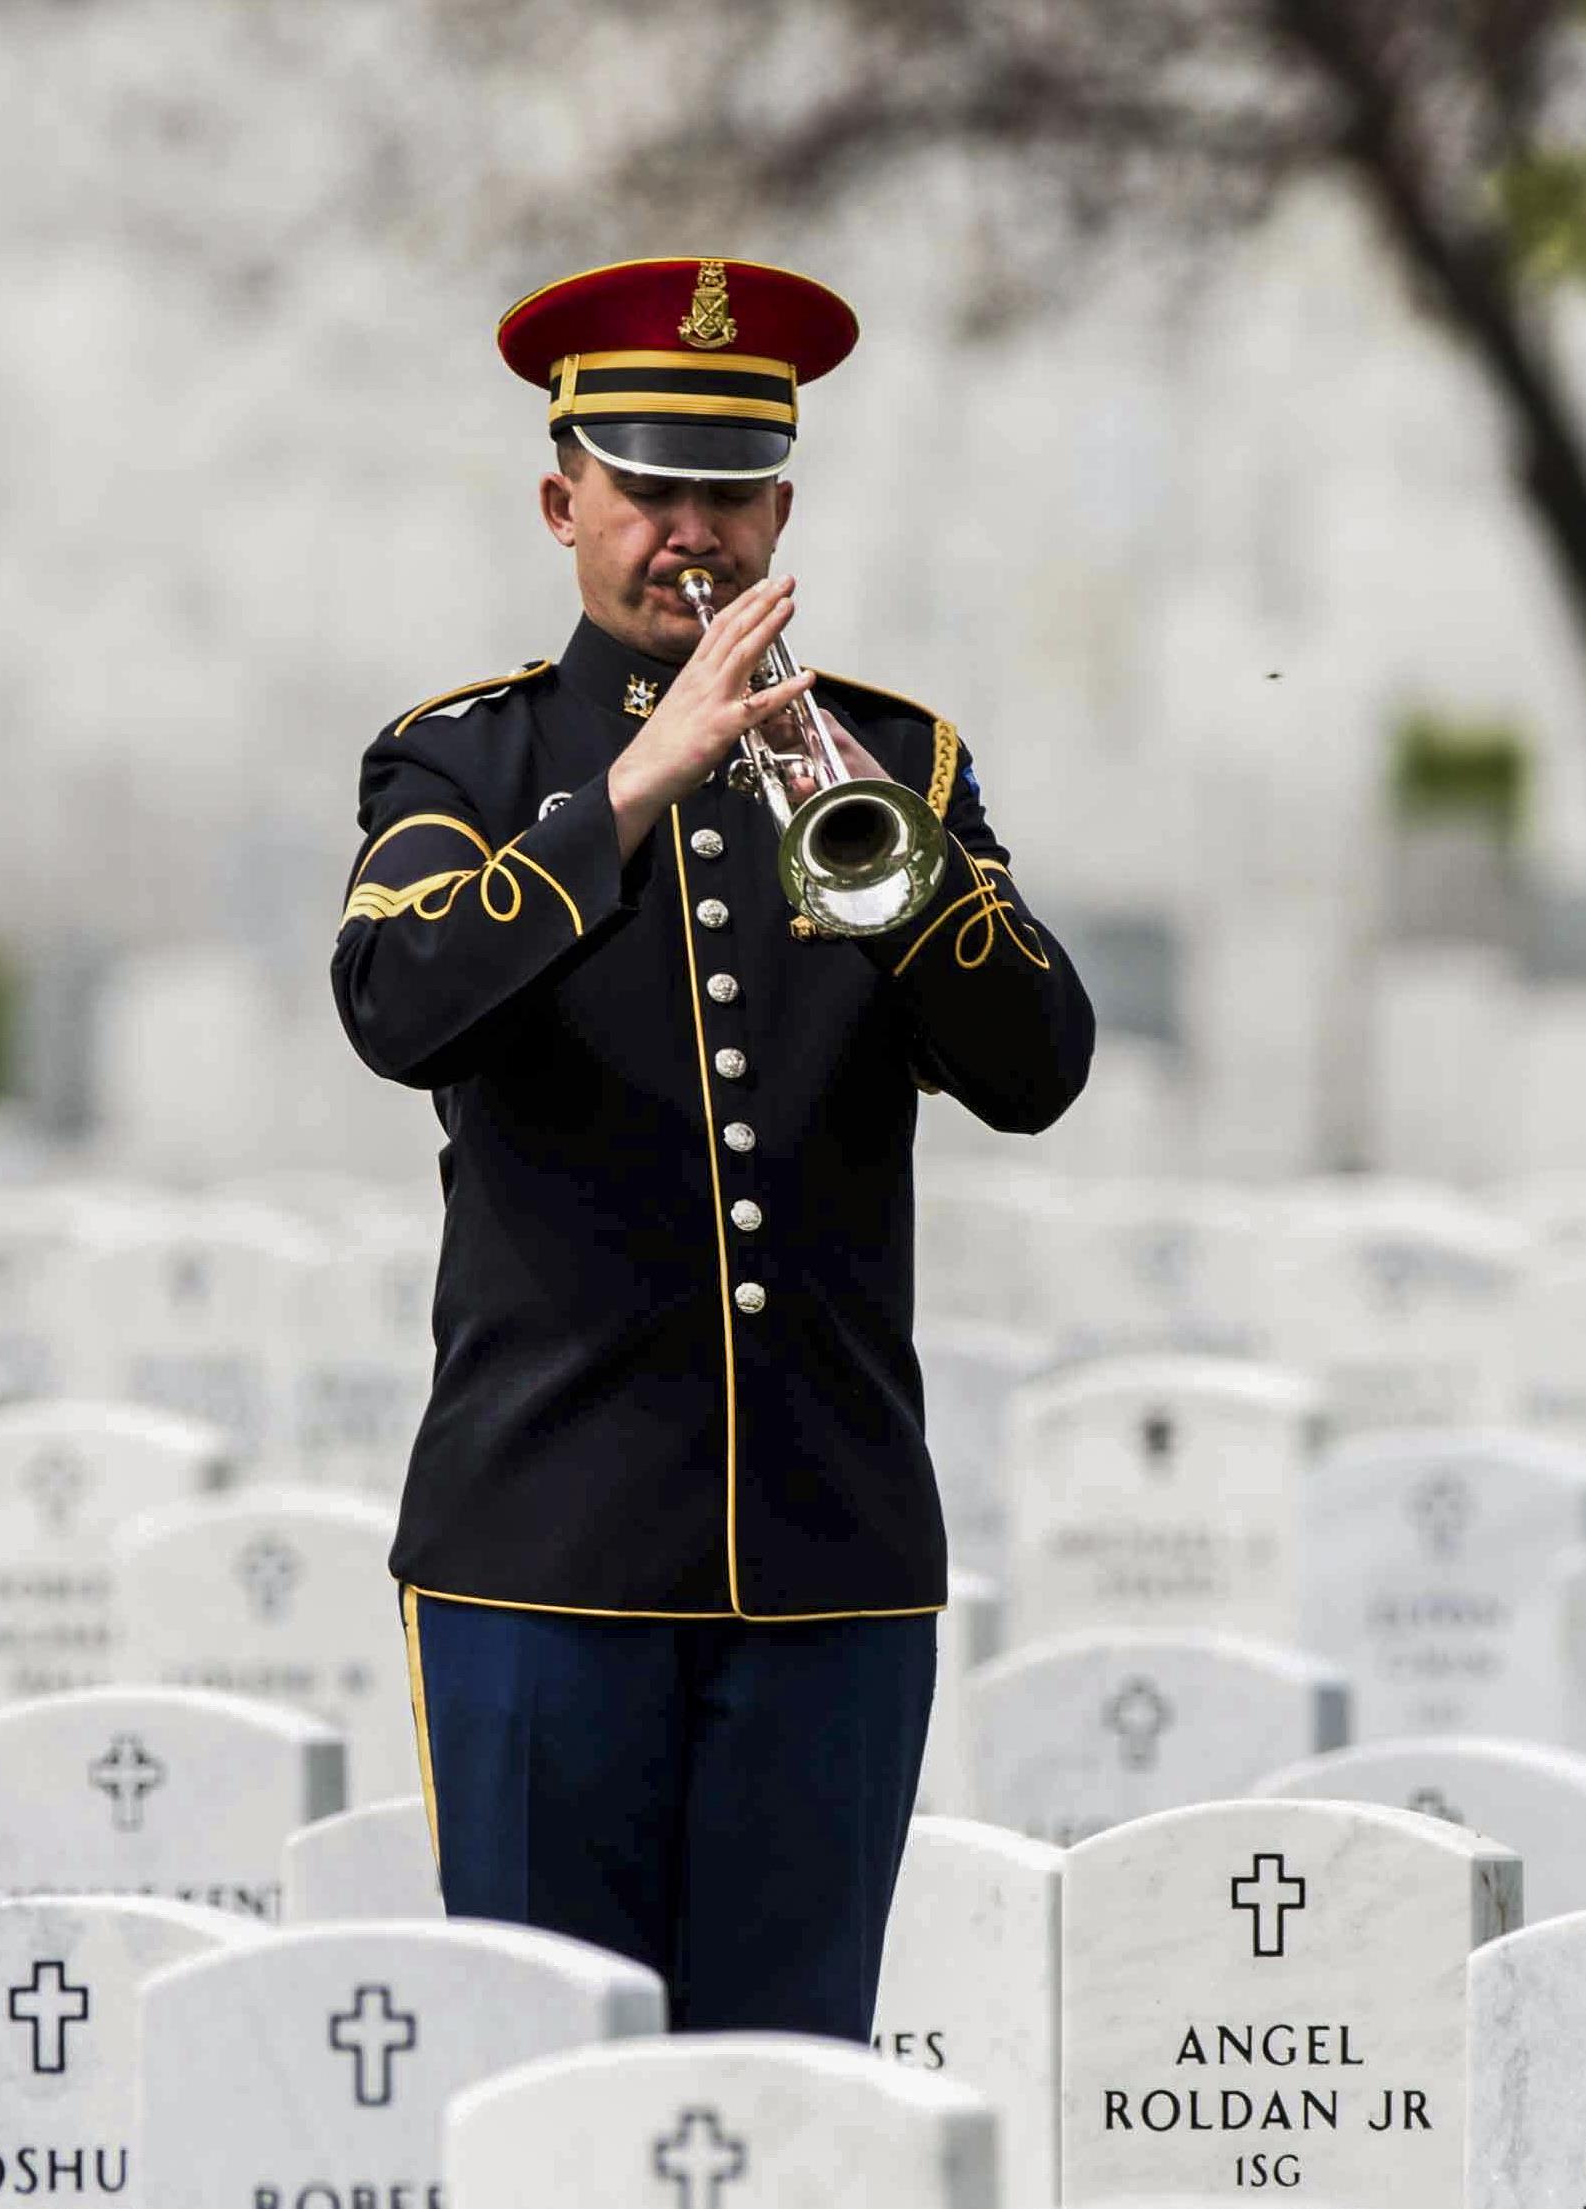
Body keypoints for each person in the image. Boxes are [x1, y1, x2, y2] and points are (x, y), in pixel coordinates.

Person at [329, 255, 1095, 2039]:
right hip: (541, 1551)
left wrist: (883, 841)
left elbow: (1036, 1064)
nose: (691, 533)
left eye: (728, 494)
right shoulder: (463, 759)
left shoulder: (896, 757)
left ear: (781, 509)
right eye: (650, 489)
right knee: (544, 2078)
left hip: (827, 1556)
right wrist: (625, 792)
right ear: (560, 499)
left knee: (796, 2084)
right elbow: (390, 1003)